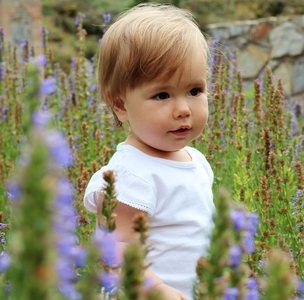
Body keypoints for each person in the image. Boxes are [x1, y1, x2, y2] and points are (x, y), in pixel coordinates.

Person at [83, 4, 214, 300]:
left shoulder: (197, 161)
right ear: (120, 105)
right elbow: (116, 254)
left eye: (195, 91)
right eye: (162, 95)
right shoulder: (128, 177)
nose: (183, 109)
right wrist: (159, 290)